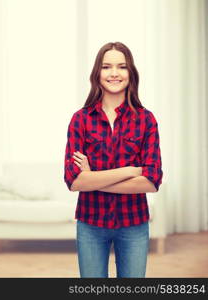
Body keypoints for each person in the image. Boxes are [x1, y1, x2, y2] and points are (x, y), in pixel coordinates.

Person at [64, 42, 163, 278]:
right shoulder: (81, 120)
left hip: (134, 224)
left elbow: (151, 182)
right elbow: (74, 182)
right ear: (97, 73)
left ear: (131, 73)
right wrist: (131, 170)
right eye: (107, 67)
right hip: (90, 224)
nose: (114, 73)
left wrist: (93, 178)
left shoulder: (146, 120)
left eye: (122, 67)